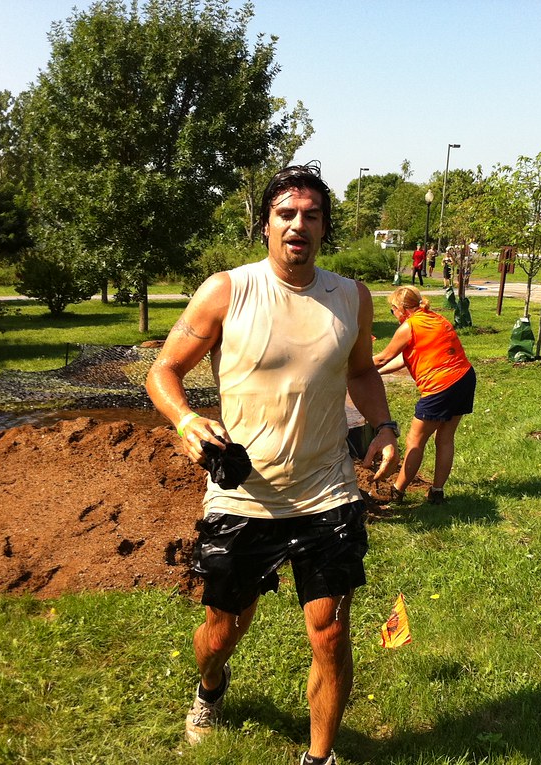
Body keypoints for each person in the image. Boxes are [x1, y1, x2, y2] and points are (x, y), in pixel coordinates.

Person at [145, 164, 399, 765]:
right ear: (265, 224)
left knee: (331, 632)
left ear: (324, 229)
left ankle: (319, 757)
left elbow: (362, 371)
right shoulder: (228, 290)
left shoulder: (350, 297)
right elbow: (164, 371)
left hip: (326, 492)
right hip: (244, 495)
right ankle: (210, 688)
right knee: (222, 630)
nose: (298, 225)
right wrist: (185, 420)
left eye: (312, 215)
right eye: (286, 213)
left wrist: (383, 426)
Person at [372, 285, 476, 505]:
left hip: (441, 387)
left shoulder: (409, 326)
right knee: (445, 438)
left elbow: (382, 357)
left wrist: (350, 367)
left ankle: (397, 492)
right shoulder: (434, 318)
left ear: (399, 307)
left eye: (393, 311)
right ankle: (437, 492)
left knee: (415, 441)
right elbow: (403, 359)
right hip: (464, 378)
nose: (394, 316)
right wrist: (375, 373)